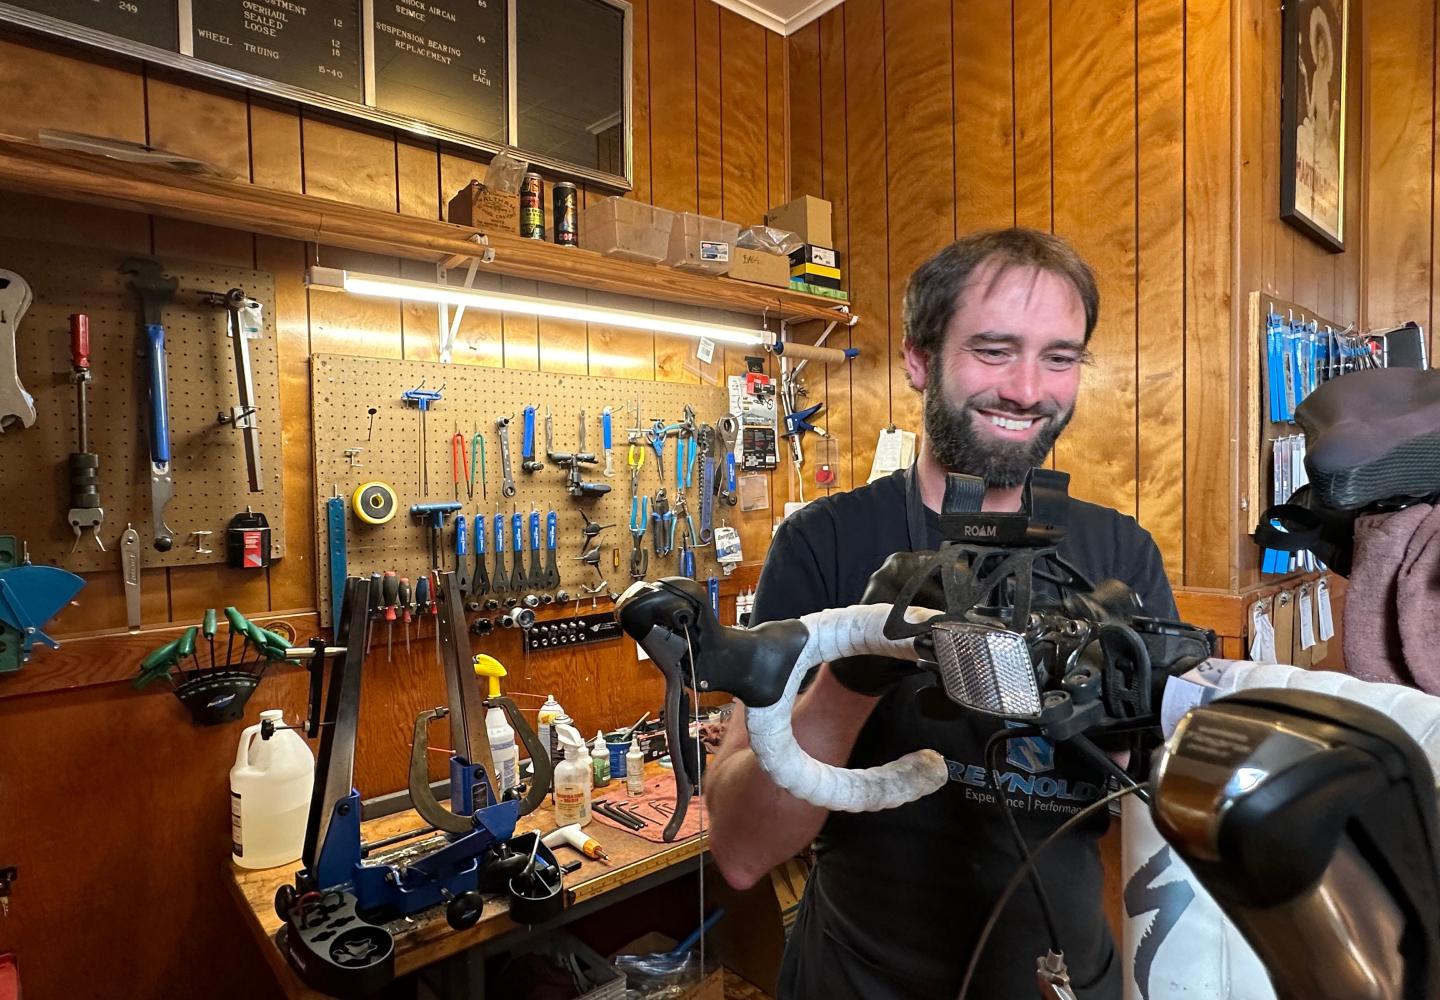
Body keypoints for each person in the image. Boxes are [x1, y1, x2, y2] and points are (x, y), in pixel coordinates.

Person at [704, 228, 1177, 999]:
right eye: (994, 351)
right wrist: (853, 670)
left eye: (1059, 358)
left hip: (1061, 981)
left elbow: (1160, 812)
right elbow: (743, 850)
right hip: (858, 984)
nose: (1028, 388)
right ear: (919, 360)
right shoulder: (825, 542)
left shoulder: (1122, 553)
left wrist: (1124, 713)